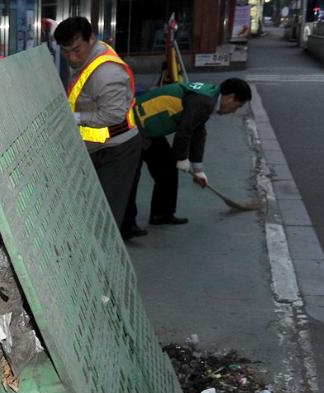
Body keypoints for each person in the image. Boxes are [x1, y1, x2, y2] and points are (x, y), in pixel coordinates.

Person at [122, 78, 252, 238]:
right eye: (237, 106)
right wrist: (182, 159)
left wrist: (198, 169)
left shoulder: (209, 95)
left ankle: (162, 214)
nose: (234, 111)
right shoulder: (204, 101)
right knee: (130, 177)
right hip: (134, 126)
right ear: (230, 97)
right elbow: (184, 132)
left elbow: (198, 131)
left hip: (150, 128)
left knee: (167, 168)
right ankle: (126, 225)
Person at [54, 17, 141, 232]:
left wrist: (77, 118)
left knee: (108, 213)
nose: (72, 58)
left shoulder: (106, 73)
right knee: (90, 203)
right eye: (65, 52)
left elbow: (113, 115)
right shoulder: (87, 58)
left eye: (76, 50)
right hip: (97, 144)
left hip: (117, 148)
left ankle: (105, 257)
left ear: (91, 38)